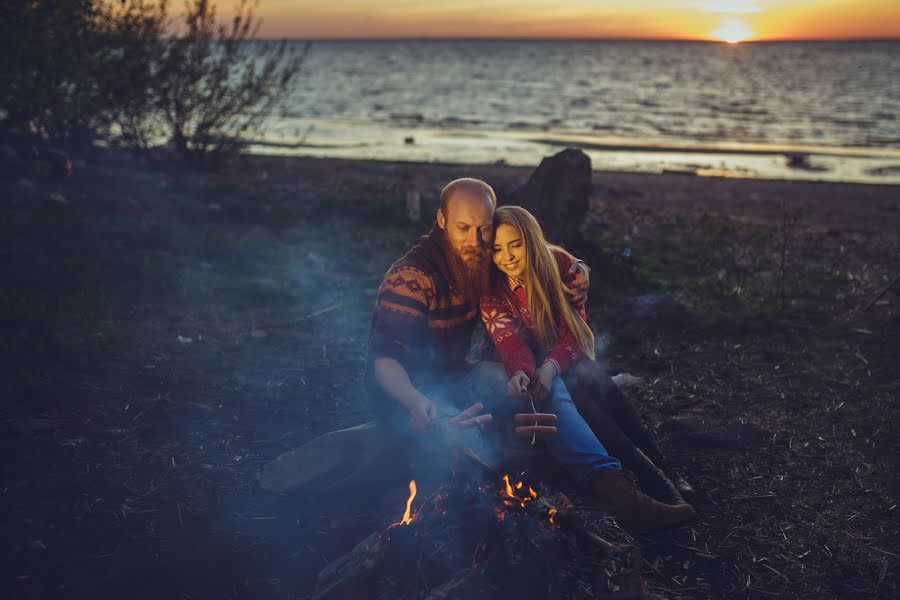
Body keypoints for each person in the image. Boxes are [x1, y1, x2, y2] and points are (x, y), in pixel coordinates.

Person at [368, 179, 693, 529]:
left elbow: (532, 258)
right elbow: (385, 359)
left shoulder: (478, 261)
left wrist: (576, 270)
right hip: (411, 397)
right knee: (491, 427)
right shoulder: (412, 277)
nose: (477, 241)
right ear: (442, 221)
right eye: (464, 228)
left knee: (544, 382)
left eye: (484, 230)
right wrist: (414, 400)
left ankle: (612, 486)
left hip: (459, 375)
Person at [479, 205, 698, 524]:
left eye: (516, 245)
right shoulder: (493, 291)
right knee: (583, 398)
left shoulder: (560, 265)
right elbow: (510, 344)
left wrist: (552, 365)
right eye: (497, 249)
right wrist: (527, 373)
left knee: (602, 386)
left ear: (532, 241)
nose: (508, 256)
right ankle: (646, 485)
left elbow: (576, 329)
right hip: (521, 366)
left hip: (561, 355)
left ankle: (663, 471)